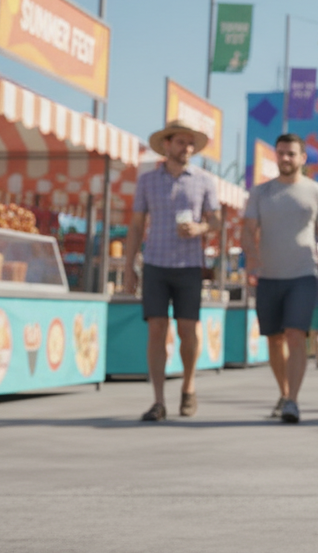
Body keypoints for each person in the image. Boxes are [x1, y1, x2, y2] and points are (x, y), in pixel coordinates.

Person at [123, 119, 221, 422]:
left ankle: (188, 388)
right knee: (156, 330)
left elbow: (217, 222)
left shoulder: (204, 180)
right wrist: (129, 266)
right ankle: (158, 400)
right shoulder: (147, 181)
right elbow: (137, 225)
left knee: (187, 330)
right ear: (167, 145)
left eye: (190, 143)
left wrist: (201, 227)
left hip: (189, 265)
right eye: (181, 142)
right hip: (155, 263)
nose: (186, 148)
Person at [243, 134, 318, 423]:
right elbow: (247, 229)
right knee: (274, 339)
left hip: (303, 275)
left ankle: (293, 400)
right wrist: (252, 259)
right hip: (269, 277)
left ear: (302, 158)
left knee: (296, 335)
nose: (285, 159)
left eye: (291, 154)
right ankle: (284, 393)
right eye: (281, 153)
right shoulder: (261, 193)